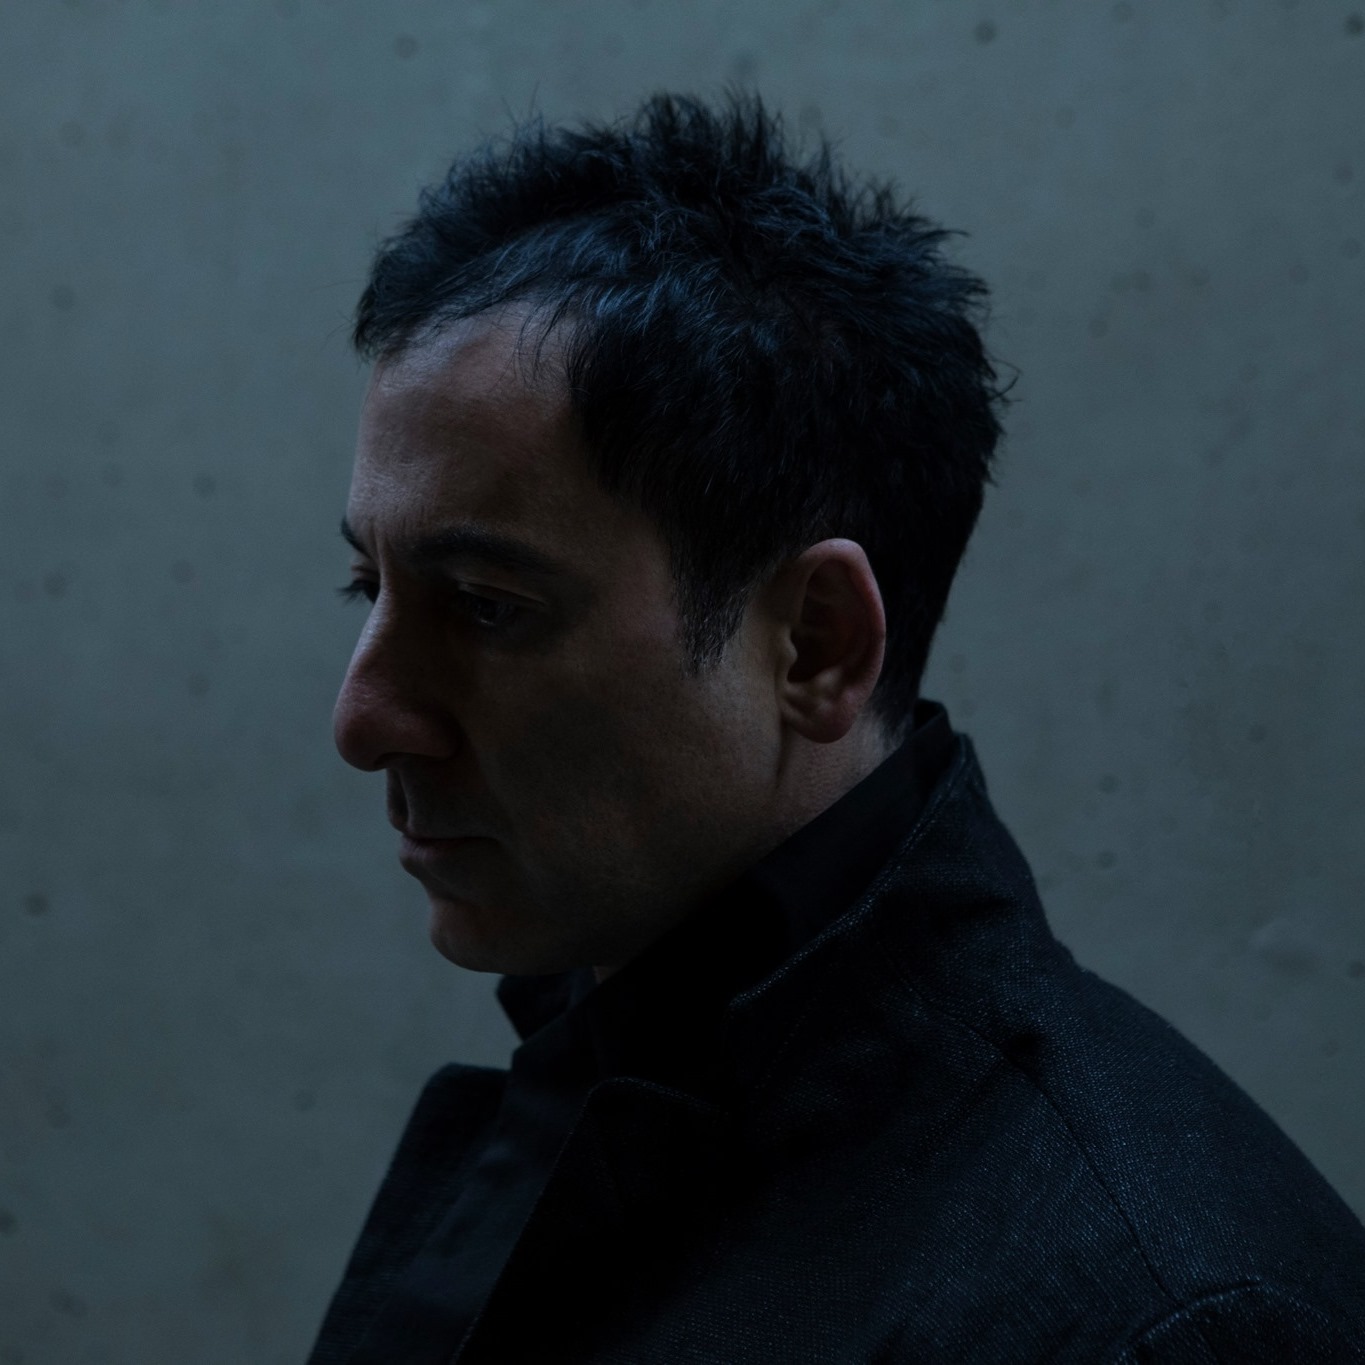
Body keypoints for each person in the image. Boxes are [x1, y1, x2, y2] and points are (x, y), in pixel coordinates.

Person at [308, 91, 1365, 1364]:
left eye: (486, 606)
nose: (363, 719)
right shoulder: (609, 1083)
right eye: (368, 586)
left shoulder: (1164, 1320)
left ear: (816, 644)